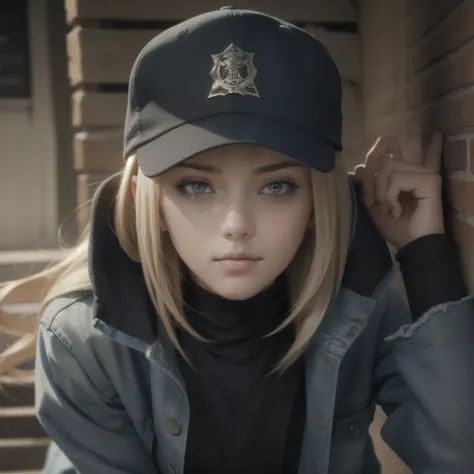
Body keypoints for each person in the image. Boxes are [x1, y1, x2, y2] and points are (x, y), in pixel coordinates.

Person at [0, 7, 473, 474]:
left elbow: (458, 456)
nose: (236, 224)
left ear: (316, 202)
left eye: (276, 186)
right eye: (197, 185)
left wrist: (426, 255)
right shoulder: (83, 340)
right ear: (146, 199)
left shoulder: (359, 303)